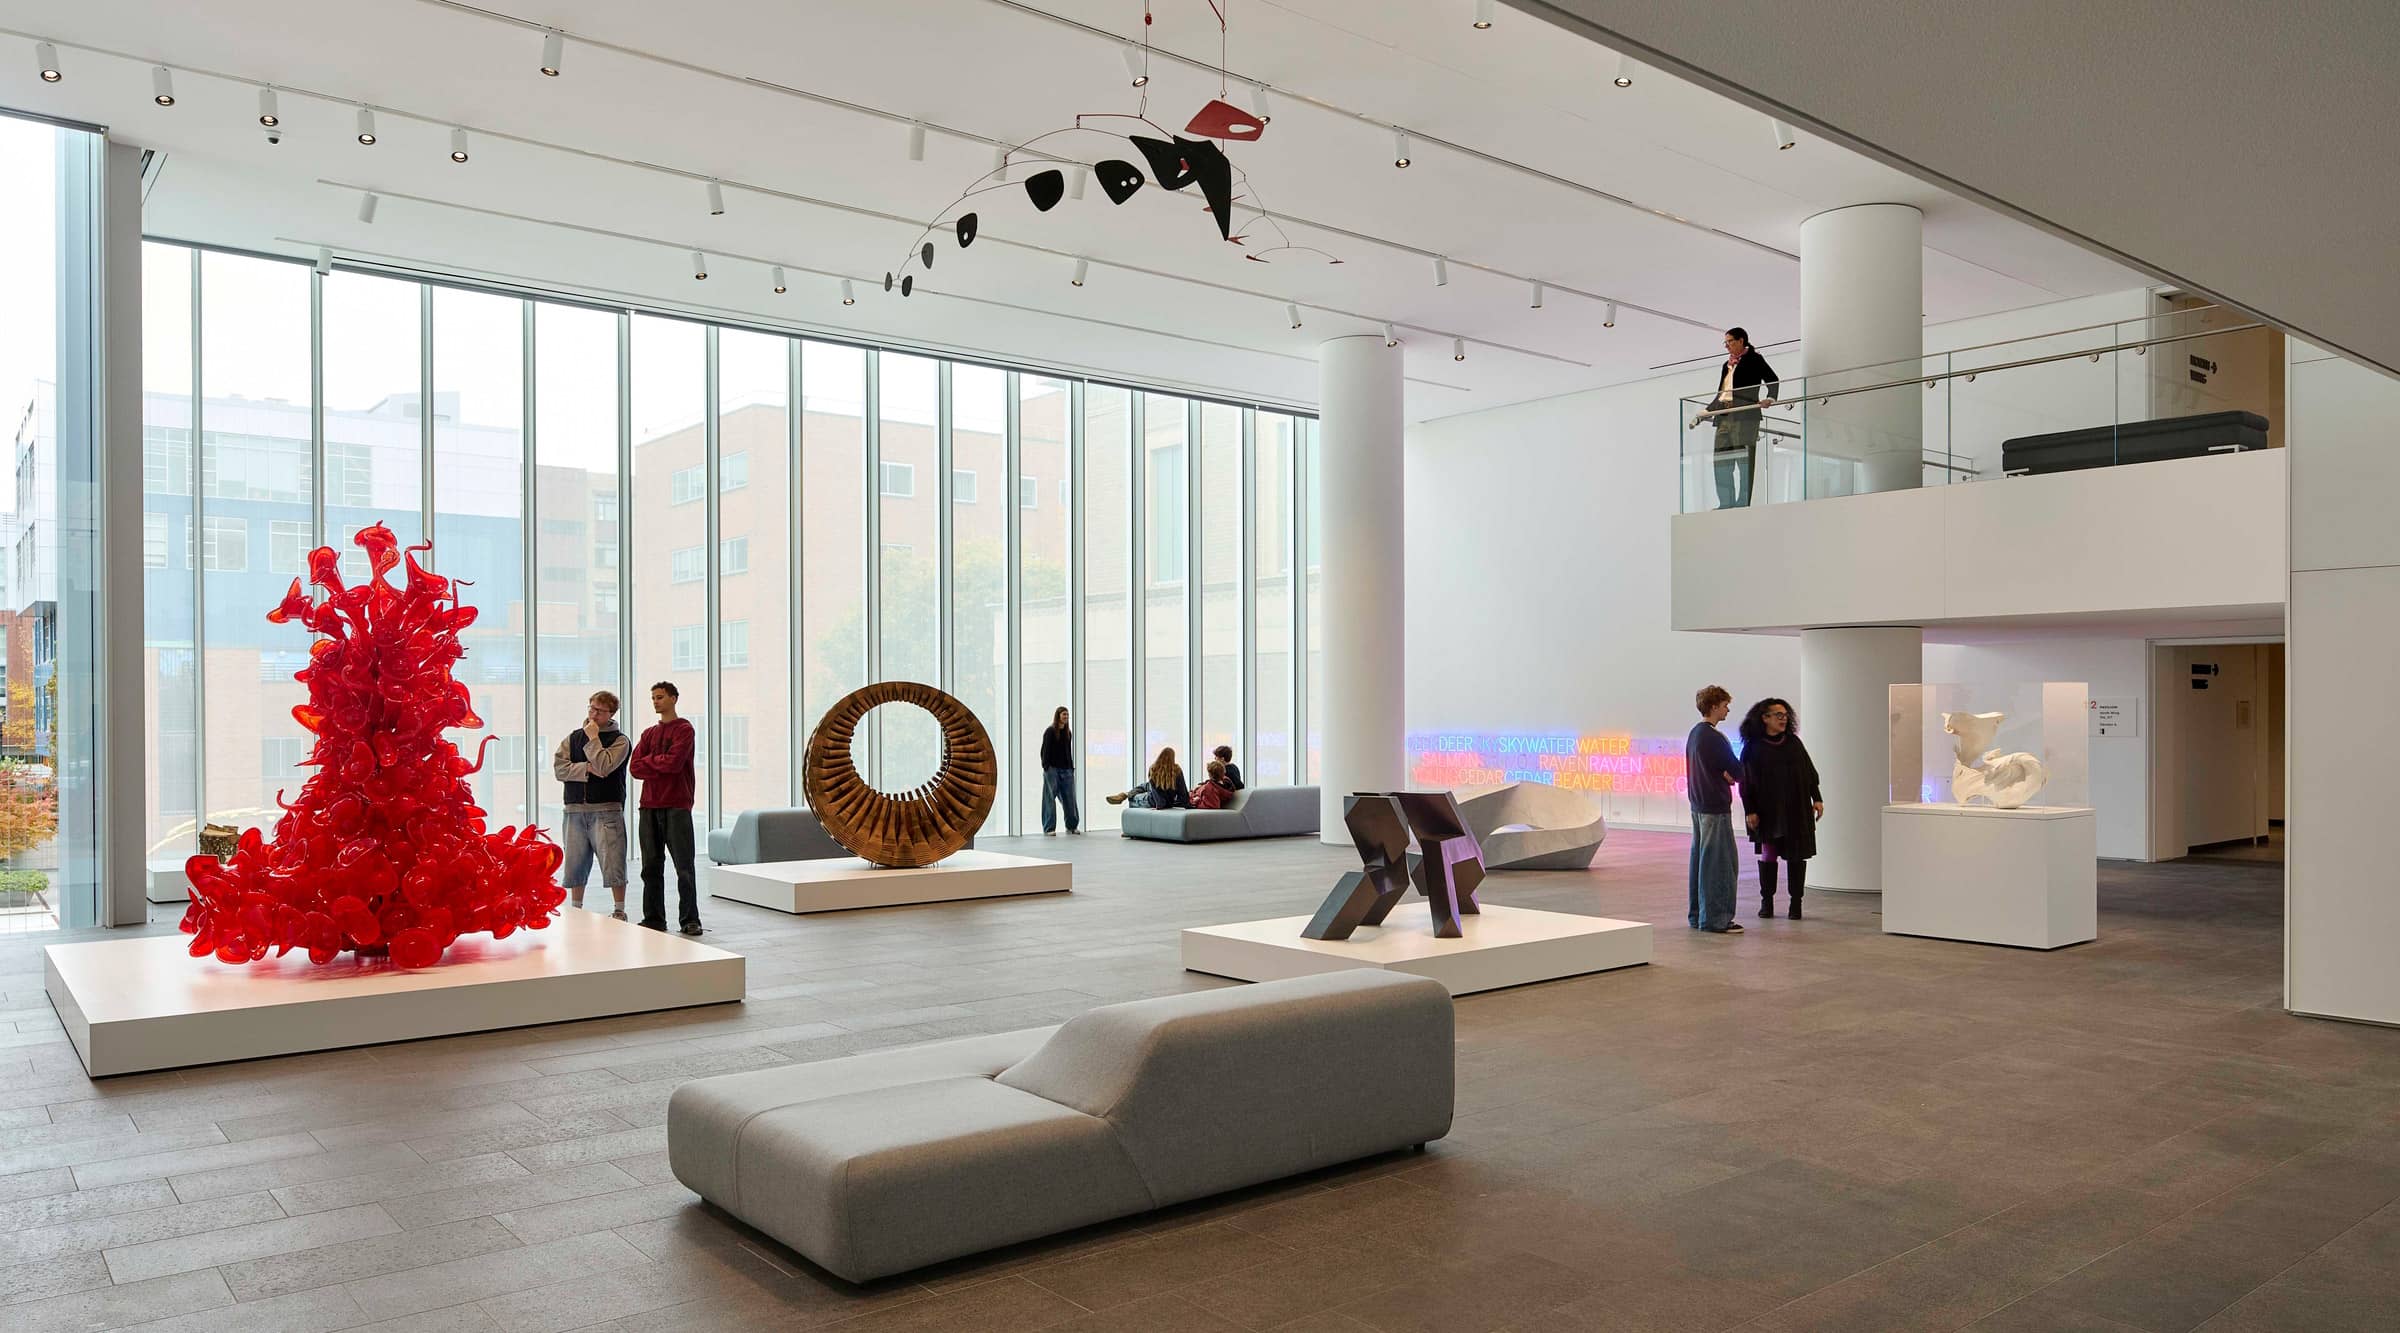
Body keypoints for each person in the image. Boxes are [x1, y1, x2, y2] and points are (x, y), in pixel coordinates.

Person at [1738, 697, 1824, 920]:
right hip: (1767, 811)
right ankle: (1767, 902)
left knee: (1796, 856)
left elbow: (1809, 773)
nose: (1783, 719)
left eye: (1785, 715)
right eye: (1778, 715)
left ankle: (1796, 904)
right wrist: (1750, 810)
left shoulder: (1794, 743)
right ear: (1764, 718)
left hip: (1796, 809)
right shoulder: (1753, 748)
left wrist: (1817, 798)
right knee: (1769, 854)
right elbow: (1745, 782)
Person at [627, 680, 701, 937]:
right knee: (650, 867)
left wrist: (651, 762)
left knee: (684, 867)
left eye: (660, 697)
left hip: (677, 806)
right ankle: (654, 919)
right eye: (653, 698)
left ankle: (690, 920)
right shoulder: (648, 733)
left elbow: (674, 764)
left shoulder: (685, 730)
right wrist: (658, 761)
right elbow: (635, 768)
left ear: (673, 698)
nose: (656, 701)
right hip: (648, 806)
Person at [552, 690, 631, 920]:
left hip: (607, 809)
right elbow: (559, 768)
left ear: (611, 714)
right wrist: (585, 769)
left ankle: (619, 910)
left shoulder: (620, 740)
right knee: (575, 862)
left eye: (600, 711)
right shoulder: (573, 737)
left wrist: (594, 739)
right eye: (591, 708)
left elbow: (605, 766)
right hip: (575, 808)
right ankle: (576, 908)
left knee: (613, 861)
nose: (594, 714)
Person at [1684, 684, 1744, 934]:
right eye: (1724, 705)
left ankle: (1699, 915)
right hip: (1715, 807)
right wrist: (1730, 777)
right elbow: (1737, 769)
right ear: (1713, 706)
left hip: (1698, 805)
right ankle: (1716, 919)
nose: (1727, 709)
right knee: (1720, 865)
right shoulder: (1714, 737)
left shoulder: (1695, 734)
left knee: (1701, 862)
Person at [1705, 327, 1779, 510]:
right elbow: (1722, 392)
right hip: (1724, 416)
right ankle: (1726, 502)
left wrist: (1770, 398)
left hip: (1745, 416)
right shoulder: (1726, 364)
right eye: (1726, 342)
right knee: (1721, 461)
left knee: (1744, 461)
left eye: (1730, 341)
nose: (1727, 346)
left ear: (1741, 340)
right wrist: (1707, 410)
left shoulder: (1755, 359)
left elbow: (1772, 379)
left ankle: (1742, 502)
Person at [1104, 746, 1190, 809]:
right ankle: (1123, 795)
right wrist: (1185, 804)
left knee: (1133, 799)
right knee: (1144, 786)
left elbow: (1155, 791)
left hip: (1153, 800)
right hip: (1168, 801)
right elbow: (1182, 791)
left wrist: (1159, 805)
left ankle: (1124, 795)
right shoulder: (1177, 770)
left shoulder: (1154, 768)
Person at [1039, 705, 1081, 836]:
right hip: (1052, 769)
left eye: (1067, 715)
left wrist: (1071, 767)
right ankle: (1049, 828)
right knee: (1049, 798)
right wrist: (1046, 767)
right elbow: (1044, 751)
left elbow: (1068, 751)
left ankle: (1072, 826)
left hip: (1067, 770)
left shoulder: (1068, 732)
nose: (1066, 717)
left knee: (1070, 798)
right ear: (1058, 716)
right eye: (1064, 714)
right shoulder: (1050, 731)